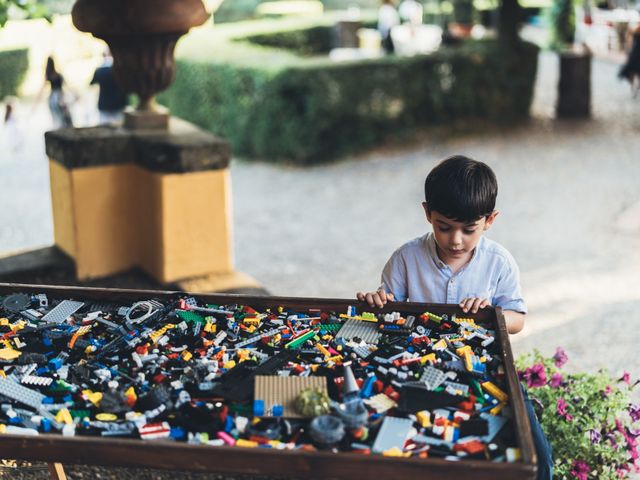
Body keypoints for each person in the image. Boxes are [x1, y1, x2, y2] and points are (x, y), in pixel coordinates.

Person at [356, 155, 553, 480]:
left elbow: (518, 320)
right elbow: (389, 310)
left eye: (469, 229)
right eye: (444, 227)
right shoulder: (406, 258)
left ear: (490, 220)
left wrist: (493, 313)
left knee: (538, 459)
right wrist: (378, 302)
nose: (456, 239)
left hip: (485, 369)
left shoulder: (499, 263)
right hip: (417, 366)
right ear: (427, 214)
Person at [90, 50, 128, 125]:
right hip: (119, 104)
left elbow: (91, 83)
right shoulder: (121, 70)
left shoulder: (100, 70)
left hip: (105, 104)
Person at [43, 56, 73, 128]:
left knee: (57, 119)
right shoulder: (58, 75)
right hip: (60, 97)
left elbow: (41, 91)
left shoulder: (49, 75)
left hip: (54, 98)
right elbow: (68, 85)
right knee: (64, 117)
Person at [619, 24, 640, 97]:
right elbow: (629, 40)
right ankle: (634, 87)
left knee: (633, 71)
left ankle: (634, 87)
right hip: (635, 53)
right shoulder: (635, 28)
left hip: (635, 53)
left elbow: (629, 40)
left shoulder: (635, 29)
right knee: (632, 71)